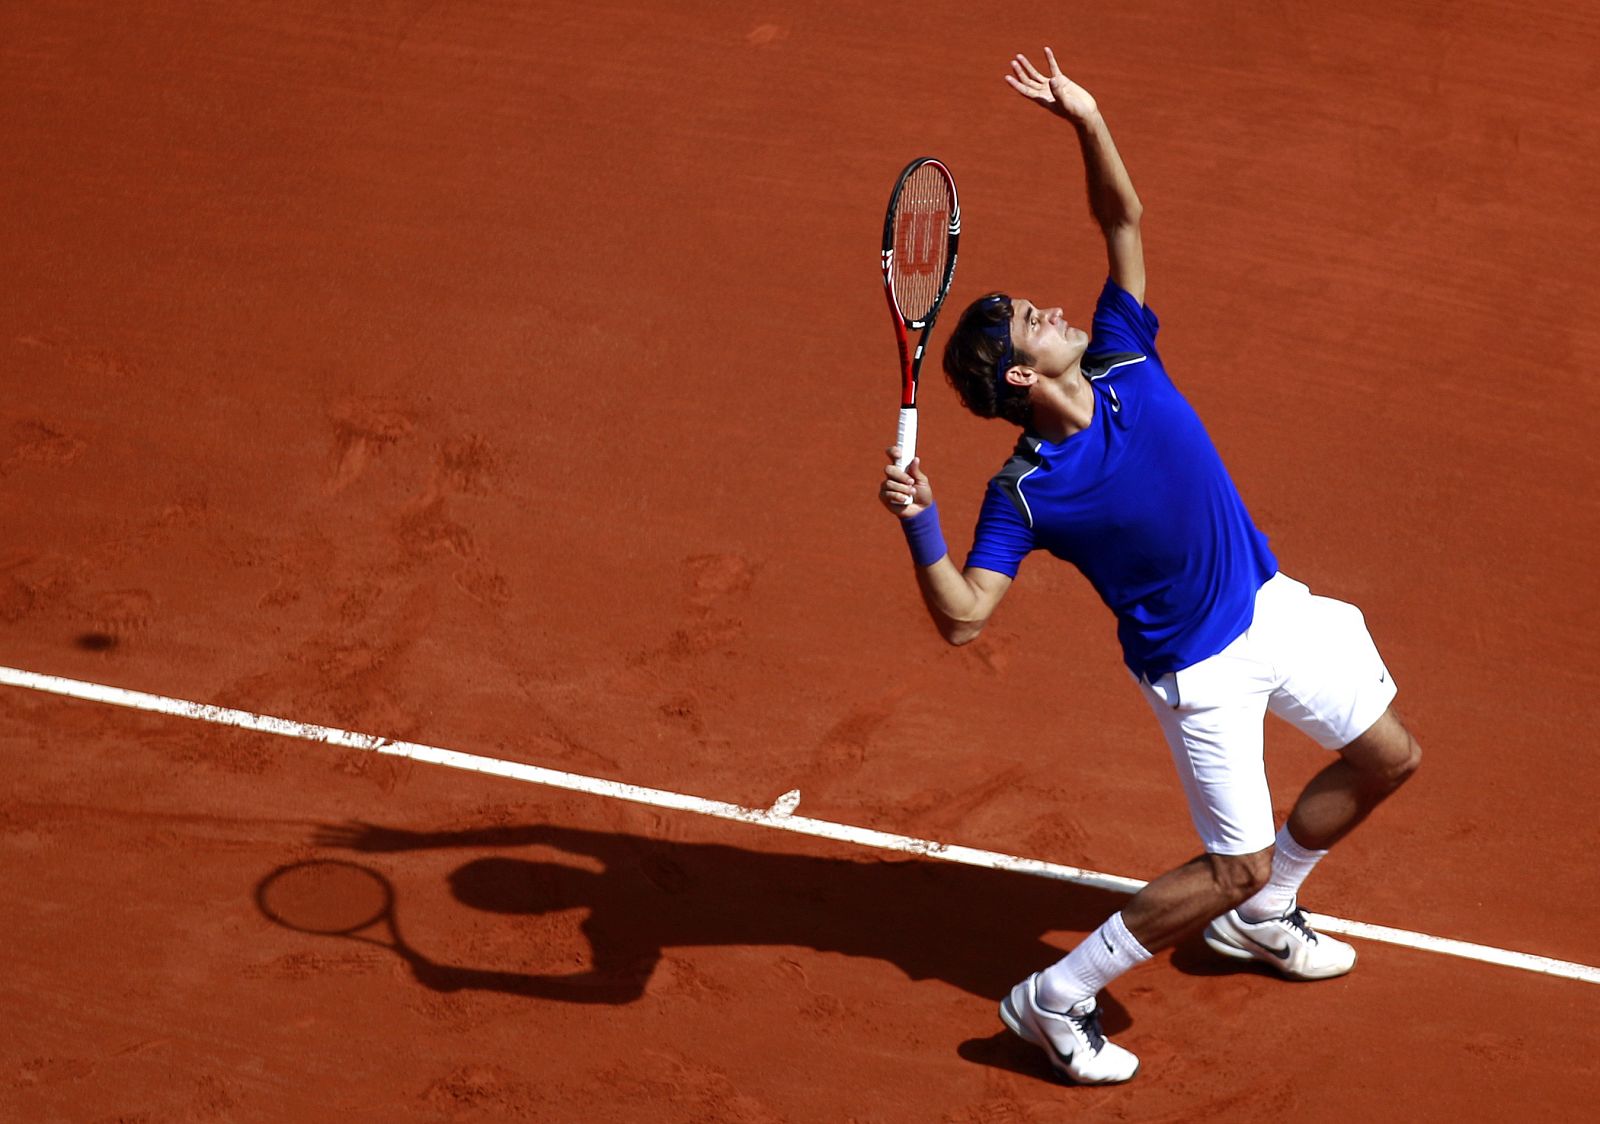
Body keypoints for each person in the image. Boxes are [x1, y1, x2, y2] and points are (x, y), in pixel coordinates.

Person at [878, 48, 1421, 1086]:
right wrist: (921, 524)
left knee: (1388, 759)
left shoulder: (1125, 351)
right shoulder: (1024, 490)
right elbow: (963, 616)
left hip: (1273, 607)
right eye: (1032, 321)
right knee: (1231, 862)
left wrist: (1087, 119)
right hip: (1200, 673)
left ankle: (1264, 914)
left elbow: (1122, 219)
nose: (1054, 310)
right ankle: (1053, 996)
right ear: (1021, 376)